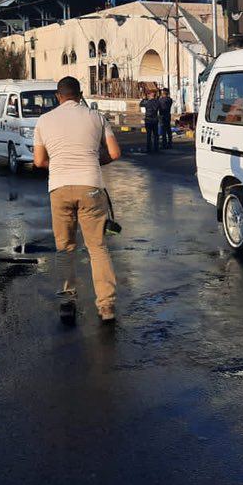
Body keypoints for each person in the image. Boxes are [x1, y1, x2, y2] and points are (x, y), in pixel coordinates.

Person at [32, 76, 122, 322]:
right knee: (97, 247)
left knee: (65, 248)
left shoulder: (44, 121)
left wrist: (60, 164)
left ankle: (67, 302)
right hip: (91, 186)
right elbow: (114, 153)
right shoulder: (96, 117)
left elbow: (39, 161)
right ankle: (106, 306)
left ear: (58, 96)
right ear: (80, 94)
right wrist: (94, 161)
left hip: (59, 188)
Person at [139, 88, 161, 153]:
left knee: (149, 135)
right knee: (155, 135)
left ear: (151, 95)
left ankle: (149, 148)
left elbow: (141, 104)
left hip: (148, 119)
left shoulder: (147, 102)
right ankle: (156, 148)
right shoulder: (157, 102)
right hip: (155, 119)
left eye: (149, 94)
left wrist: (144, 98)